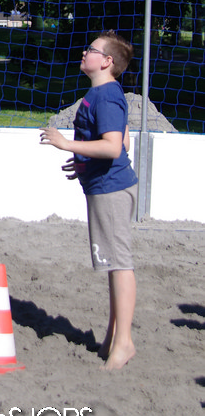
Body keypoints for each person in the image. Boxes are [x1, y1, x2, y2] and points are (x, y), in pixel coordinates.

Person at [40, 31, 138, 371]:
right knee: (112, 262)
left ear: (107, 62)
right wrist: (82, 160)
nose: (85, 52)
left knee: (120, 263)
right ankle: (113, 337)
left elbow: (114, 147)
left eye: (92, 50)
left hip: (111, 188)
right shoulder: (103, 93)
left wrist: (68, 145)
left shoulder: (107, 96)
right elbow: (122, 141)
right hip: (102, 185)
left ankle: (124, 343)